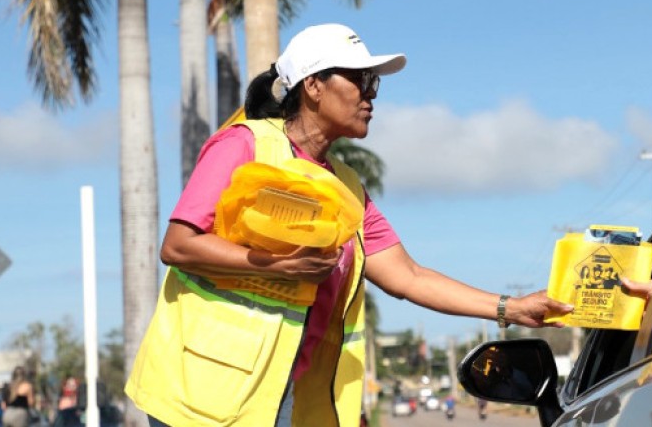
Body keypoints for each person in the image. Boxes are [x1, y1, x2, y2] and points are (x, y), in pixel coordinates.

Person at [124, 23, 573, 427]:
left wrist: (511, 309)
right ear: (314, 86)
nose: (371, 94)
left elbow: (409, 277)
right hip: (198, 391)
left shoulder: (348, 187)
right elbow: (178, 246)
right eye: (360, 80)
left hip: (280, 396)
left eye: (372, 82)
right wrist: (275, 266)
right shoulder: (243, 144)